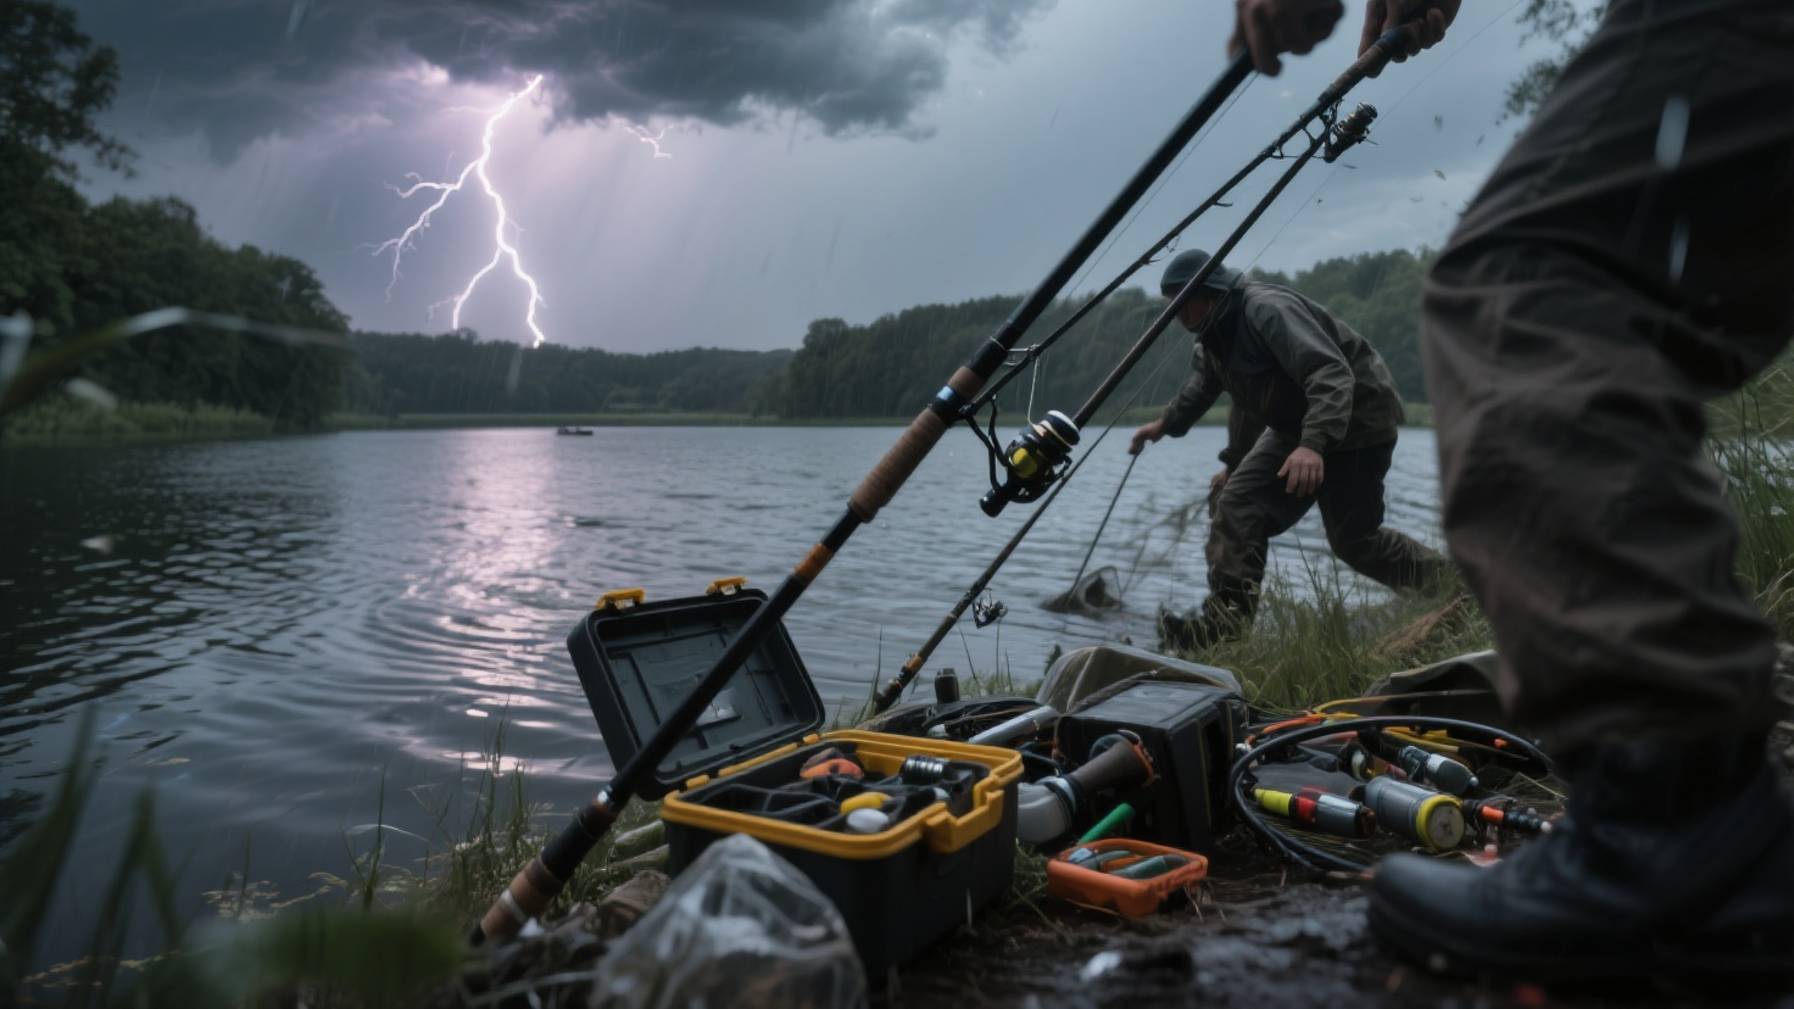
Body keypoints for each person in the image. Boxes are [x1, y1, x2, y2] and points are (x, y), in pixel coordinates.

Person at [1230, 0, 1794, 984]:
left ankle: (1681, 829)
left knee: (1523, 288)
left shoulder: (1271, 313)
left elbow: (1320, 375)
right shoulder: (1224, 333)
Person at [1130, 248, 1446, 649]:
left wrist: (1313, 445)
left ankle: (1454, 586)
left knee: (1354, 540)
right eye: (1171, 306)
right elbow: (1215, 391)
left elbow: (1330, 373)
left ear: (1208, 295)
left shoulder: (1267, 311)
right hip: (1296, 427)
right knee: (1234, 500)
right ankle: (1224, 630)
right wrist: (1167, 425)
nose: (1177, 317)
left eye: (1182, 305)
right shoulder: (1213, 338)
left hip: (1358, 420)